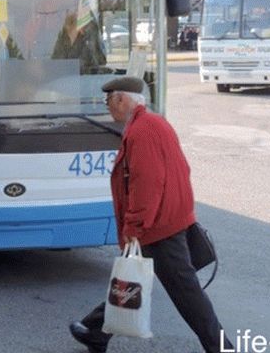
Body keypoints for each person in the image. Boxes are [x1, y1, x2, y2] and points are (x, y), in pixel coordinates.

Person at [69, 76, 231, 353]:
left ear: (122, 99)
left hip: (159, 227)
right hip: (164, 221)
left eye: (108, 100)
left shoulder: (141, 131)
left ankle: (224, 348)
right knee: (129, 279)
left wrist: (135, 225)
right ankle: (95, 331)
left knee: (187, 295)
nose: (107, 107)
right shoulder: (153, 123)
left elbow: (147, 183)